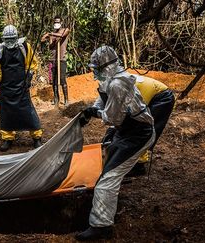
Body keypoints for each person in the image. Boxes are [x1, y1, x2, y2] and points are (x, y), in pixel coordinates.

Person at [76, 46, 155, 241]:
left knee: (107, 181)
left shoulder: (118, 84)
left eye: (96, 68)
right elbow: (103, 100)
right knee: (109, 162)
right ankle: (110, 197)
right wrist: (92, 108)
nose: (94, 72)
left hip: (138, 134)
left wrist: (93, 113)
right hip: (126, 132)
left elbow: (112, 119)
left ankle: (101, 225)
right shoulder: (109, 81)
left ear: (106, 67)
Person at [103, 75, 175, 176]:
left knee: (142, 130)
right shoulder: (116, 85)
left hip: (162, 97)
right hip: (151, 95)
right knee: (132, 129)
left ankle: (138, 166)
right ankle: (131, 160)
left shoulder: (125, 88)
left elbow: (128, 115)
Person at [0, 25, 42, 152]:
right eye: (7, 40)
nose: (10, 42)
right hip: (6, 88)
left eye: (12, 39)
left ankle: (36, 137)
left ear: (16, 38)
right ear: (3, 39)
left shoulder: (25, 47)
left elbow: (32, 64)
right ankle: (7, 138)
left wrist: (29, 78)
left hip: (22, 86)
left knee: (28, 113)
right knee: (7, 115)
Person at [41, 16, 70, 106]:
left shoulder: (66, 30)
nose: (56, 23)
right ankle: (56, 98)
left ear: (61, 22)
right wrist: (48, 37)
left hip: (61, 59)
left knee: (62, 80)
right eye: (55, 22)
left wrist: (50, 34)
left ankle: (66, 100)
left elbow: (62, 35)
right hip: (52, 59)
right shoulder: (52, 34)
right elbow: (46, 43)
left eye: (58, 22)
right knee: (53, 81)